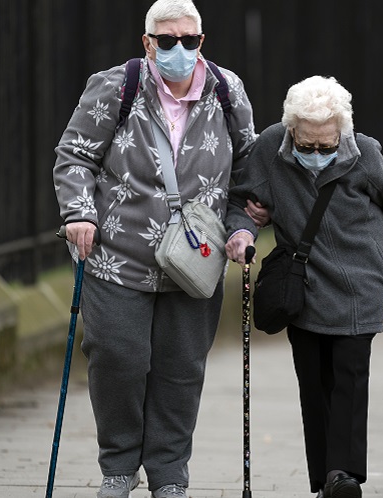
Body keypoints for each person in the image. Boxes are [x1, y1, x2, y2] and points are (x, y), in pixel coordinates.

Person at [52, 1, 266, 497]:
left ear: (201, 41)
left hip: (196, 263)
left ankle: (169, 475)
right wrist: (80, 212)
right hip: (117, 255)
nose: (178, 50)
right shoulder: (115, 87)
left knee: (180, 370)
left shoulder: (227, 91)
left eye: (188, 41)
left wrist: (240, 230)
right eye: (166, 41)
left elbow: (247, 176)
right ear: (147, 42)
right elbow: (75, 155)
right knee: (118, 358)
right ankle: (119, 468)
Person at [225, 76, 383, 498]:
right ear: (292, 130)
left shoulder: (366, 155)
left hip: (361, 284)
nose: (318, 155)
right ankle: (324, 477)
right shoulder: (271, 147)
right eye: (307, 146)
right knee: (313, 382)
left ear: (341, 131)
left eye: (327, 146)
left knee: (349, 378)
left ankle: (343, 476)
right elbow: (239, 201)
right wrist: (242, 232)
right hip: (301, 286)